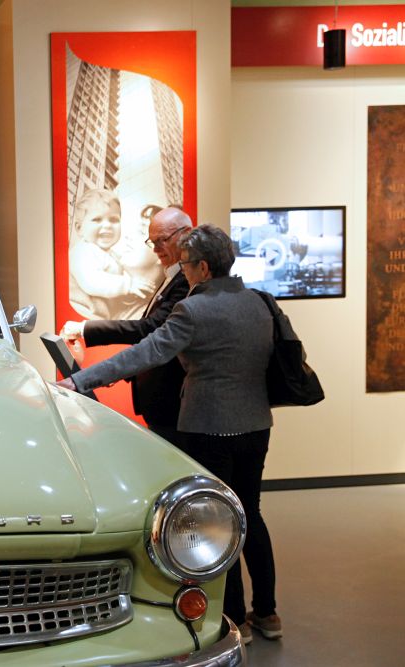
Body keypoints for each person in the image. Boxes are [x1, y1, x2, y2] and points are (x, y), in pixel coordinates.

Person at [61, 224, 281, 645]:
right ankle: (268, 612)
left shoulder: (194, 311)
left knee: (219, 522)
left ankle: (235, 617)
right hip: (256, 424)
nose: (182, 271)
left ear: (200, 267)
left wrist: (82, 380)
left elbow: (147, 352)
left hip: (208, 426)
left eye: (184, 264)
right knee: (251, 511)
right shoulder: (259, 302)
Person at [61, 205, 192, 447]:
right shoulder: (171, 276)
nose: (155, 249)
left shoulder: (186, 281)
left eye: (161, 240)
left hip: (171, 402)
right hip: (160, 401)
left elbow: (151, 330)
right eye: (151, 241)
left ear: (186, 234)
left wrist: (86, 328)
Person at [68, 189, 156, 320]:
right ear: (79, 228)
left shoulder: (111, 254)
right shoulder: (83, 251)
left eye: (114, 220)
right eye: (97, 219)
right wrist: (128, 285)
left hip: (100, 317)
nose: (107, 225)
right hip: (84, 312)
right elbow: (91, 280)